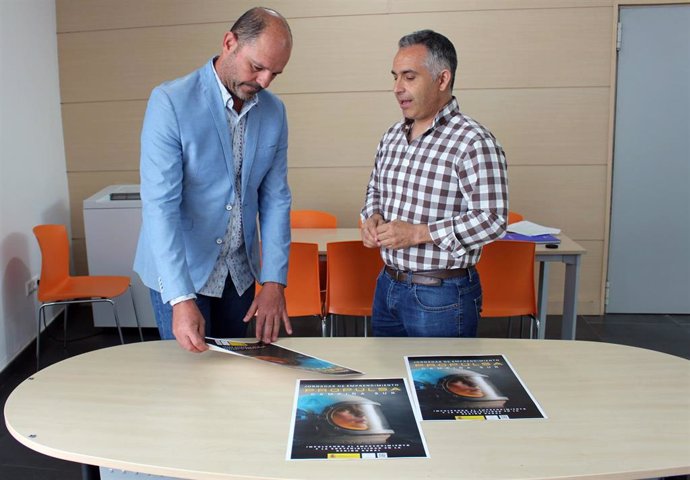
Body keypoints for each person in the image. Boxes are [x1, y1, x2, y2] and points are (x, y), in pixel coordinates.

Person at [134, 7, 293, 352]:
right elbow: (160, 207)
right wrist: (179, 298)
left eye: (275, 73)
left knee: (239, 373)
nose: (264, 81)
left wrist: (274, 280)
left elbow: (276, 198)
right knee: (189, 379)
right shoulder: (171, 102)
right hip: (183, 271)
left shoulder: (274, 111)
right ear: (229, 43)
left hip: (239, 274)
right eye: (257, 67)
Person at [360, 29, 508, 338]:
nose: (397, 88)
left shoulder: (473, 141)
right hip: (387, 286)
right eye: (395, 76)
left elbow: (492, 220)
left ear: (442, 80)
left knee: (439, 384)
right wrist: (371, 217)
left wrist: (417, 233)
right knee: (392, 378)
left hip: (440, 294)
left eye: (409, 77)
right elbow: (375, 190)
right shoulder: (392, 136)